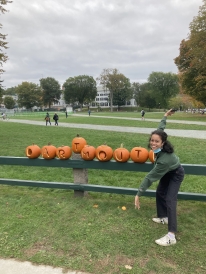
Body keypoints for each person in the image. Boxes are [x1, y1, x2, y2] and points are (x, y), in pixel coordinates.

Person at [134, 109, 185, 246]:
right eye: (152, 140)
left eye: (156, 141)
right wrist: (165, 116)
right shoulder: (159, 144)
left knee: (170, 200)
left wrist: (138, 194)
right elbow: (160, 128)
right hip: (168, 171)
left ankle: (171, 236)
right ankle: (164, 217)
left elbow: (150, 177)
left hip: (176, 174)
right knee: (160, 192)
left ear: (163, 143)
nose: (153, 143)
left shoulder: (164, 160)